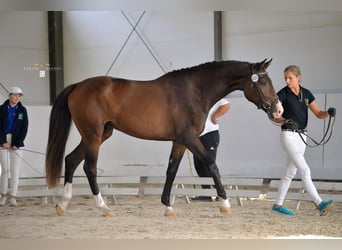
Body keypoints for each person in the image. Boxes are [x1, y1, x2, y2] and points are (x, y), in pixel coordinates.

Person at [272, 65, 336, 216]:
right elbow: (274, 116)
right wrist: (284, 120)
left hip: (302, 136)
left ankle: (278, 204)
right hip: (288, 135)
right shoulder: (282, 94)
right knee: (305, 170)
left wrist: (328, 113)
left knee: (290, 172)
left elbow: (318, 113)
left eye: (290, 78)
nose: (287, 81)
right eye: (285, 78)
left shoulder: (306, 94)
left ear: (298, 77)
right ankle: (319, 203)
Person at [192, 98, 230, 201]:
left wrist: (215, 116)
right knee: (199, 166)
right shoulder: (194, 97)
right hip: (196, 136)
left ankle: (220, 190)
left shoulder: (211, 95)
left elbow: (226, 104)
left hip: (210, 134)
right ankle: (206, 194)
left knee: (209, 165)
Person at [0, 86, 28, 206]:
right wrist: (2, 141)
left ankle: (13, 196)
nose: (17, 97)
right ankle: (3, 196)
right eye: (15, 95)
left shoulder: (23, 110)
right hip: (3, 140)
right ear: (9, 95)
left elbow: (24, 128)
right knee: (5, 170)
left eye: (19, 95)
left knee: (14, 170)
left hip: (16, 142)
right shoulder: (1, 109)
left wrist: (17, 143)